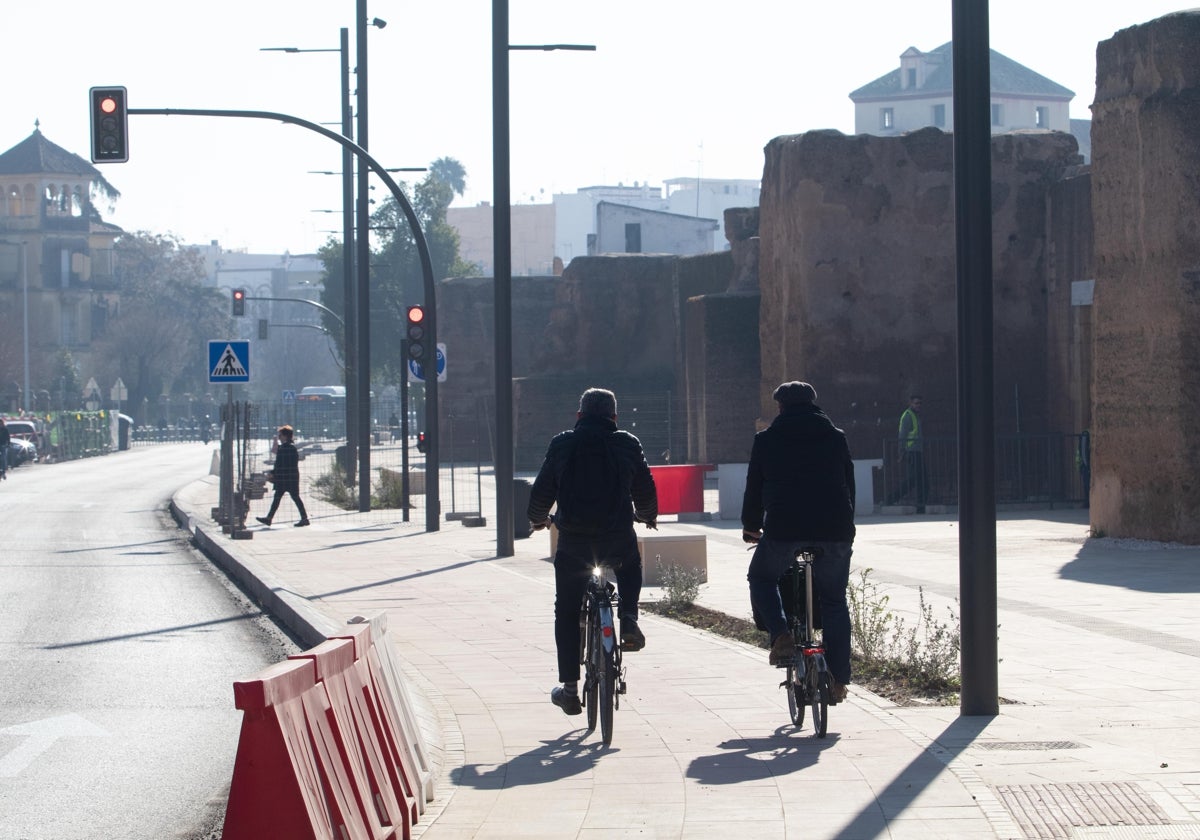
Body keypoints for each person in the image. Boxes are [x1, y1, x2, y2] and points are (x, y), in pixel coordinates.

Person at [527, 387, 658, 716]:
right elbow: (644, 487)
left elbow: (543, 489)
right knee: (630, 566)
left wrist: (539, 519)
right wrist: (648, 514)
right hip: (616, 537)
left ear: (579, 416)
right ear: (615, 417)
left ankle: (570, 690)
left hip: (573, 542)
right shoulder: (627, 443)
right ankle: (628, 619)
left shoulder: (563, 444)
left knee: (567, 611)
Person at [742, 381, 855, 704]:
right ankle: (839, 680)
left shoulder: (767, 440)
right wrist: (848, 526)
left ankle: (781, 636)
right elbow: (849, 486)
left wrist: (751, 526)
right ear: (814, 404)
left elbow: (755, 486)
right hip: (835, 530)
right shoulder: (836, 437)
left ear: (780, 407)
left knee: (761, 577)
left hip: (784, 528)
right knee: (834, 601)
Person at [257, 425, 309, 527]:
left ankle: (304, 518)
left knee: (289, 498)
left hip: (285, 478)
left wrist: (273, 473)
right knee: (282, 498)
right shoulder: (291, 448)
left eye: (280, 435)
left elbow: (280, 464)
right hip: (291, 478)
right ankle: (269, 518)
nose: (279, 437)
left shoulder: (285, 448)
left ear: (285, 436)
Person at [888, 394, 926, 512]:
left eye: (920, 403)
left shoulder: (915, 415)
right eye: (916, 403)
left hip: (917, 451)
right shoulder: (908, 416)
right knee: (916, 479)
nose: (918, 405)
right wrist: (901, 452)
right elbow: (902, 435)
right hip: (911, 452)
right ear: (910, 404)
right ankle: (891, 499)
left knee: (919, 479)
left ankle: (921, 506)